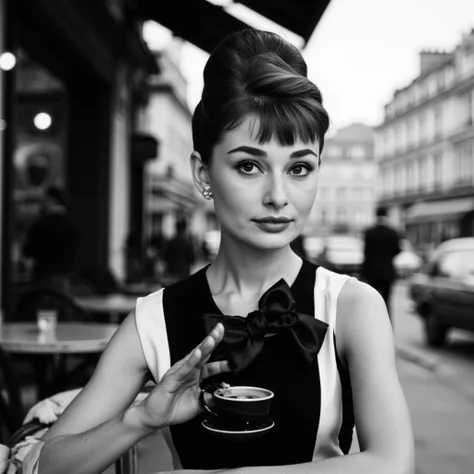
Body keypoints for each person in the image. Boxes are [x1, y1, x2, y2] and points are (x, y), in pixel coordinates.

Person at [33, 29, 413, 474]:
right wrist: (139, 420)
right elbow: (48, 463)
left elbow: (393, 462)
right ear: (203, 173)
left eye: (299, 168)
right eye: (249, 166)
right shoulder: (154, 319)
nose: (278, 195)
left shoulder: (351, 305)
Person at [23, 185, 80, 292]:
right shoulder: (72, 224)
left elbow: (28, 251)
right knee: (61, 304)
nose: (42, 204)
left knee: (42, 305)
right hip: (64, 276)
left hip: (43, 275)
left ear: (51, 201)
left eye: (44, 200)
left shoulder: (41, 223)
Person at [361, 206, 401, 318]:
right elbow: (397, 250)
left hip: (371, 272)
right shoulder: (393, 232)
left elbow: (366, 252)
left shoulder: (369, 232)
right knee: (387, 301)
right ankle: (387, 326)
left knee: (372, 300)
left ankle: (373, 325)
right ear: (386, 215)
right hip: (388, 272)